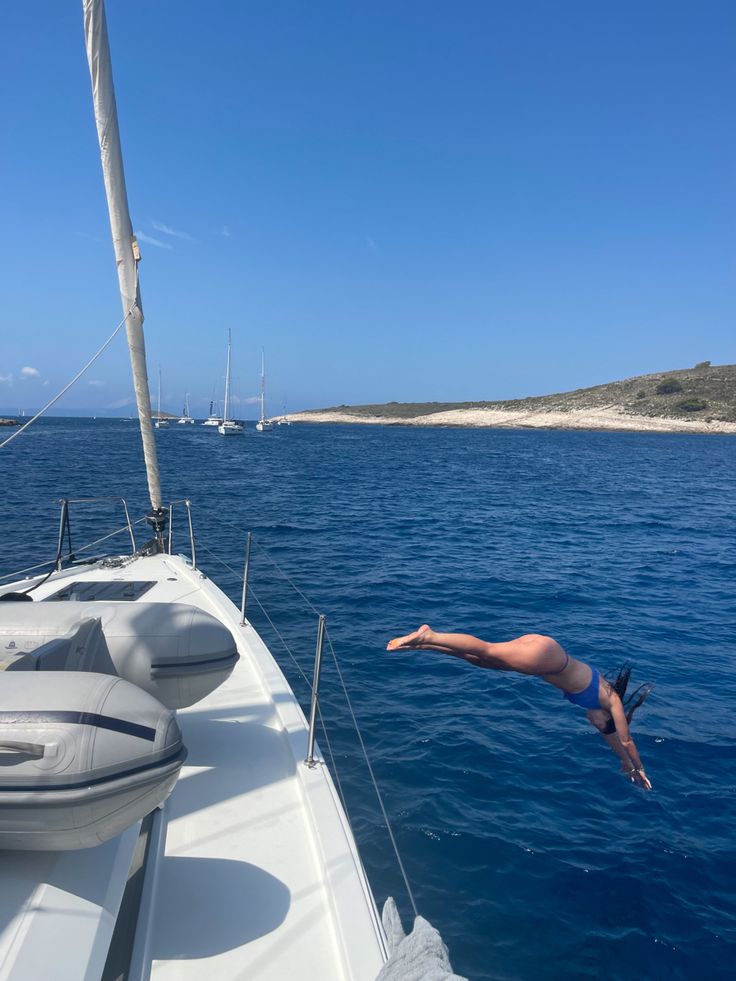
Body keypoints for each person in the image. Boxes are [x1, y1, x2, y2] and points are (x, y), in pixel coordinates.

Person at [387, 625, 652, 790]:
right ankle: (430, 635)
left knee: (480, 661)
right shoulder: (610, 701)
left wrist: (625, 765)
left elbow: (615, 743)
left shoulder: (602, 703)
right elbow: (625, 739)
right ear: (606, 716)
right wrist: (640, 768)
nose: (590, 722)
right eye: (595, 723)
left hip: (545, 655)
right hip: (548, 658)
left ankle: (427, 644)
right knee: (487, 651)